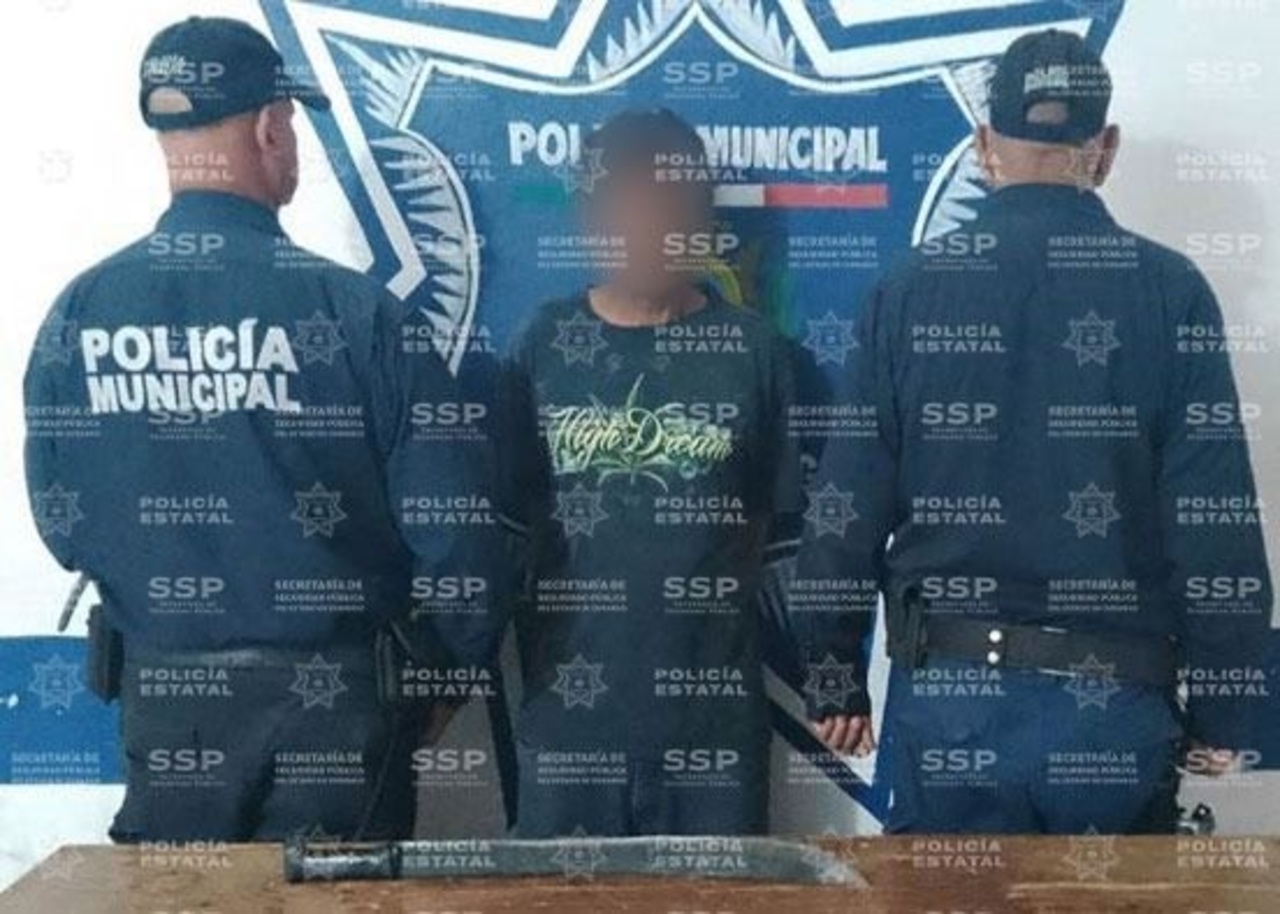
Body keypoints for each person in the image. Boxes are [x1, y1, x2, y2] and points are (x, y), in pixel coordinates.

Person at [23, 16, 496, 843]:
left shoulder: (79, 313)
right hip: (336, 717)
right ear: (271, 128)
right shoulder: (353, 314)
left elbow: (63, 525)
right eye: (292, 124)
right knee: (333, 903)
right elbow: (459, 536)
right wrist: (445, 674)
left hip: (168, 712)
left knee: (181, 901)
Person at [791, 29, 1272, 833]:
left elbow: (844, 511)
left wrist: (834, 674)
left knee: (946, 895)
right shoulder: (1172, 293)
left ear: (985, 146)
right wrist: (1226, 708)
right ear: (1104, 149)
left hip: (952, 708)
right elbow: (1214, 528)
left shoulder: (908, 293)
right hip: (1113, 713)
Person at [496, 109, 803, 837]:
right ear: (591, 219)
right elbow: (503, 534)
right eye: (627, 209)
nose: (649, 230)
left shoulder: (753, 352)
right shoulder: (542, 345)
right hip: (569, 731)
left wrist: (831, 669)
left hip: (712, 736)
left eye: (669, 207)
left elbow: (783, 537)